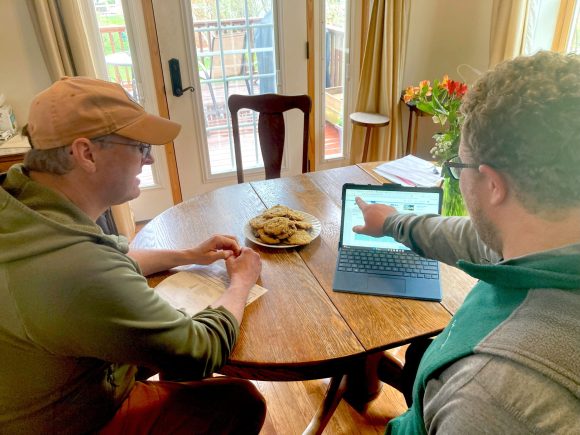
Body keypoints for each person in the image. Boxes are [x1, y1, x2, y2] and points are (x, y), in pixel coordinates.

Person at [0, 76, 266, 434]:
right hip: (68, 421)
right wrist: (241, 282)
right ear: (87, 153)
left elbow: (114, 260)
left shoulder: (21, 202)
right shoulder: (80, 269)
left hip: (35, 385)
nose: (149, 157)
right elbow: (201, 350)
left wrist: (189, 253)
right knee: (240, 402)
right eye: (139, 146)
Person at [354, 51, 580, 433]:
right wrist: (393, 222)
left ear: (493, 183)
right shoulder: (547, 242)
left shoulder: (488, 398)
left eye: (459, 167)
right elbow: (467, 238)